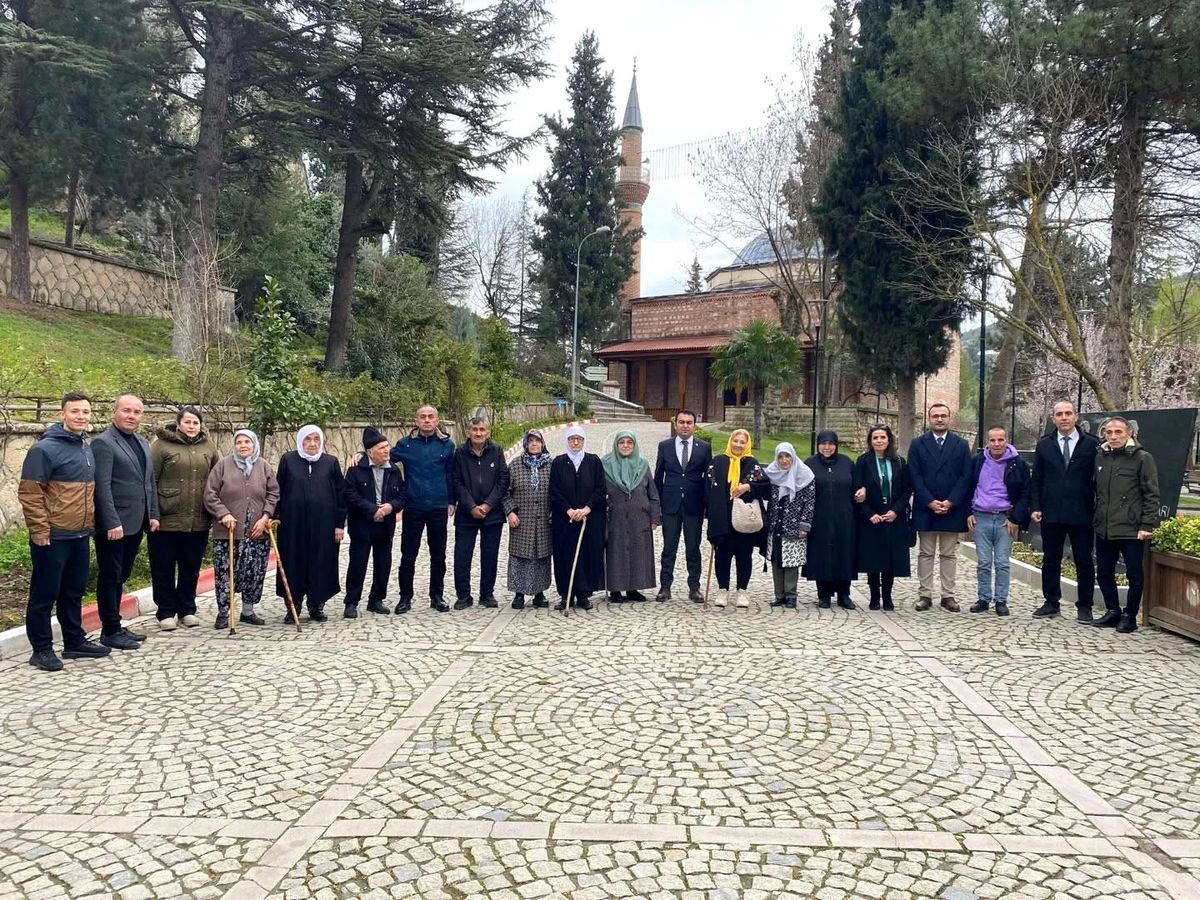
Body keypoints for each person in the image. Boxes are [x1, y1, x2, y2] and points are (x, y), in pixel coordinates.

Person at [19, 392, 111, 671]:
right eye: (75, 412)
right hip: (53, 536)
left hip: (81, 534)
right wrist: (40, 531)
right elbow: (30, 493)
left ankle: (74, 641)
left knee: (73, 592)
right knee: (44, 595)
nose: (81, 416)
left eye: (85, 412)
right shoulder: (44, 449)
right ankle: (42, 649)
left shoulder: (86, 446)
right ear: (62, 414)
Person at [91, 394, 160, 650]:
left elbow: (148, 482)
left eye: (137, 412)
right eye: (126, 411)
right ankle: (109, 630)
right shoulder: (104, 444)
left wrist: (153, 513)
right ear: (114, 413)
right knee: (110, 576)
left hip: (136, 522)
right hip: (115, 526)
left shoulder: (142, 442)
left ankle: (115, 624)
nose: (132, 416)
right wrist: (110, 521)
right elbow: (102, 487)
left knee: (122, 575)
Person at [148, 406, 219, 630]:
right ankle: (165, 612)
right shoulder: (160, 446)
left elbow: (218, 478)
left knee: (191, 567)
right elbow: (150, 481)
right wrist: (152, 514)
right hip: (166, 519)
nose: (191, 426)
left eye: (195, 422)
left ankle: (187, 609)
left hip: (197, 520)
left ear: (201, 425)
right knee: (163, 567)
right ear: (178, 424)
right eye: (187, 422)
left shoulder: (208, 446)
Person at [1029, 401, 1100, 622]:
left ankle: (1085, 606)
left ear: (1076, 416)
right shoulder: (1045, 445)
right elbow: (1037, 479)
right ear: (1053, 419)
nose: (1064, 417)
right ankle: (1051, 602)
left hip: (1082, 512)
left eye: (1068, 413)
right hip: (1052, 512)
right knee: (1051, 559)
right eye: (1059, 414)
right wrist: (1036, 506)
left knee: (1084, 560)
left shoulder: (1091, 445)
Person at [204, 430, 279, 628]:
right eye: (239, 442)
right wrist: (223, 513)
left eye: (247, 442)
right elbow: (210, 494)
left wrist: (265, 517)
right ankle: (223, 612)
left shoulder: (263, 466)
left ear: (254, 444)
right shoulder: (223, 466)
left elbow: (273, 494)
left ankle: (248, 611)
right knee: (225, 572)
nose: (243, 445)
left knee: (254, 572)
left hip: (257, 531)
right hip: (228, 531)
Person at [1092, 416, 1160, 633]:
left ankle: (1130, 615)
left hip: (1131, 528)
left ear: (1129, 433)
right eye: (1109, 432)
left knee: (1134, 575)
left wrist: (1147, 525)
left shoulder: (1142, 458)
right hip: (1104, 527)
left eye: (1118, 432)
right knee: (1103, 571)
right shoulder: (1101, 457)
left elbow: (1151, 494)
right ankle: (1113, 611)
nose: (1113, 436)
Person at [274, 425, 346, 623]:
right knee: (293, 563)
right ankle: (293, 605)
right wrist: (274, 517)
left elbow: (341, 495)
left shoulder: (330, 462)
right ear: (300, 441)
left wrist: (339, 524)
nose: (312, 444)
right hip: (293, 526)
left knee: (321, 563)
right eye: (308, 439)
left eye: (316, 439)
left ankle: (317, 604)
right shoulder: (288, 460)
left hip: (323, 526)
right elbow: (278, 491)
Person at [907, 403, 972, 611]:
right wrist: (929, 501)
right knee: (925, 553)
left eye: (943, 415)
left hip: (952, 507)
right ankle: (925, 595)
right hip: (926, 507)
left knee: (949, 554)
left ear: (949, 418)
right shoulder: (917, 444)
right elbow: (914, 475)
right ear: (929, 419)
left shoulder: (961, 445)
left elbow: (966, 476)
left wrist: (951, 501)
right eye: (935, 416)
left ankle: (948, 595)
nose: (940, 419)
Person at [392, 405, 455, 613]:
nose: (427, 420)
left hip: (438, 506)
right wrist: (360, 454)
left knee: (438, 555)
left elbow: (451, 475)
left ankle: (436, 596)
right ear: (416, 421)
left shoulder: (447, 446)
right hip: (413, 506)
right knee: (408, 555)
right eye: (422, 417)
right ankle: (405, 597)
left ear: (437, 420)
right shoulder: (405, 445)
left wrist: (451, 501)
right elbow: (382, 457)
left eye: (431, 417)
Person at [966, 426, 1031, 617]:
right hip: (981, 517)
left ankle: (1001, 600)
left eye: (1000, 440)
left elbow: (1025, 493)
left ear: (1007, 440)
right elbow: (967, 487)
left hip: (1005, 519)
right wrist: (968, 512)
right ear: (987, 441)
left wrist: (1015, 518)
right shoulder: (977, 462)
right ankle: (984, 598)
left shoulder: (1018, 464)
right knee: (984, 562)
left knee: (1002, 562)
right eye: (992, 440)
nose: (996, 444)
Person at [344, 426, 405, 617]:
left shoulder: (393, 470)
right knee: (358, 563)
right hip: (362, 524)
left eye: (387, 446)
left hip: (386, 524)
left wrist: (390, 507)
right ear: (370, 452)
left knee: (383, 563)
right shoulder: (356, 469)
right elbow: (350, 495)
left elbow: (403, 495)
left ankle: (376, 599)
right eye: (381, 448)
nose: (387, 450)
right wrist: (372, 510)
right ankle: (351, 602)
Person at [704, 428, 767, 609]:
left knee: (744, 556)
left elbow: (765, 487)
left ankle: (742, 591)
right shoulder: (718, 461)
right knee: (722, 556)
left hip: (743, 520)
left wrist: (748, 487)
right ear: (730, 441)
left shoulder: (752, 463)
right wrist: (710, 512)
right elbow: (707, 488)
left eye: (742, 442)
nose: (738, 445)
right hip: (722, 517)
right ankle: (723, 590)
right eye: (735, 441)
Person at [653, 410, 711, 602]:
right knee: (669, 548)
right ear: (675, 424)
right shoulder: (665, 446)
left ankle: (694, 587)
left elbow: (707, 480)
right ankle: (665, 587)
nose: (685, 425)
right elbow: (658, 476)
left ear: (695, 425)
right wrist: (658, 504)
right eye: (681, 422)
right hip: (670, 505)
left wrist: (706, 504)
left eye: (689, 422)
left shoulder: (703, 447)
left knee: (693, 548)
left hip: (694, 506)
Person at [853, 425, 912, 611]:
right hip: (872, 516)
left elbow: (906, 490)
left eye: (882, 437)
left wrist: (896, 511)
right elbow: (856, 490)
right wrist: (869, 513)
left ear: (889, 440)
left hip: (894, 516)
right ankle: (874, 597)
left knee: (890, 559)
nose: (879, 441)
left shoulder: (899, 461)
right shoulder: (863, 462)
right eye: (875, 438)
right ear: (870, 441)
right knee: (874, 558)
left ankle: (887, 596)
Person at [452, 417, 510, 609]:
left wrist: (487, 505)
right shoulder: (460, 452)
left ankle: (487, 594)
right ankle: (463, 596)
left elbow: (503, 480)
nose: (478, 433)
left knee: (490, 556)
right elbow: (456, 481)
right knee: (462, 556)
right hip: (466, 515)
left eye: (482, 429)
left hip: (492, 514)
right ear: (468, 432)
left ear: (488, 432)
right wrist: (470, 506)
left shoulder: (496, 451)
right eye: (474, 429)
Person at [549, 425, 607, 611]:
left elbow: (600, 489)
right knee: (564, 555)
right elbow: (554, 491)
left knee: (587, 554)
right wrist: (568, 510)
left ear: (584, 441)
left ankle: (584, 594)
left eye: (579, 439)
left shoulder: (593, 461)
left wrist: (587, 508)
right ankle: (566, 595)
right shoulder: (558, 463)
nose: (575, 442)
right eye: (572, 439)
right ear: (566, 441)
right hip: (564, 520)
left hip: (589, 519)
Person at [603, 429, 662, 603]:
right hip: (615, 517)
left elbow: (653, 493)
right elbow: (598, 491)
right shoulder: (604, 464)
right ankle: (615, 590)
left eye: (629, 443)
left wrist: (654, 518)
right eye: (622, 442)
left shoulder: (643, 465)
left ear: (634, 445)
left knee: (638, 552)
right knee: (615, 552)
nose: (625, 446)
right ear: (616, 445)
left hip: (640, 518)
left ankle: (633, 589)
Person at [803, 430, 857, 608]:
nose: (827, 447)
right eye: (823, 443)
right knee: (822, 554)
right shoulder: (810, 464)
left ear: (836, 445)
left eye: (831, 443)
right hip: (819, 517)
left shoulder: (846, 462)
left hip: (844, 516)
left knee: (844, 554)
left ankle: (844, 594)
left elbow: (856, 485)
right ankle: (824, 594)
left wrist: (861, 491)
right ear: (818, 445)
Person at [504, 429, 554, 609]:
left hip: (544, 521)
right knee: (520, 556)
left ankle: (539, 594)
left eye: (537, 441)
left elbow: (557, 491)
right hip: (521, 520)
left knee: (541, 556)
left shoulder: (550, 465)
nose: (534, 444)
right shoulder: (516, 465)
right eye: (530, 441)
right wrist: (510, 512)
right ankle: (519, 594)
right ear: (525, 443)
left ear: (542, 443)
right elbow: (505, 492)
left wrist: (554, 512)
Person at [763, 442, 816, 609]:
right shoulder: (772, 473)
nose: (784, 460)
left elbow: (810, 503)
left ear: (793, 456)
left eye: (787, 456)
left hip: (794, 524)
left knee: (791, 561)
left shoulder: (805, 475)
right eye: (780, 457)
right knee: (776, 560)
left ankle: (791, 595)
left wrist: (804, 526)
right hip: (775, 524)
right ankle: (779, 595)